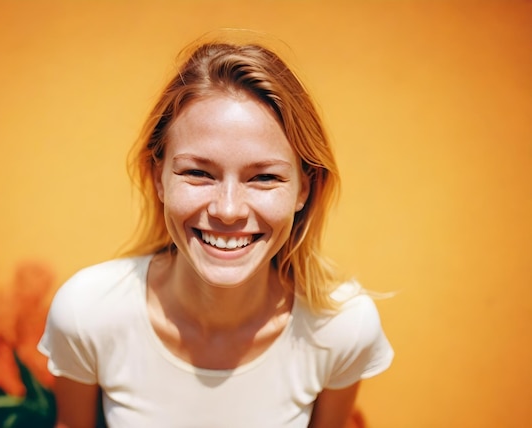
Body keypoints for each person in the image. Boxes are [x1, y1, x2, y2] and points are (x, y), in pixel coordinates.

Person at [38, 34, 393, 428]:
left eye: (263, 177)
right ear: (159, 178)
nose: (227, 209)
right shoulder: (88, 312)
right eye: (198, 173)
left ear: (303, 189)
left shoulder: (343, 327)